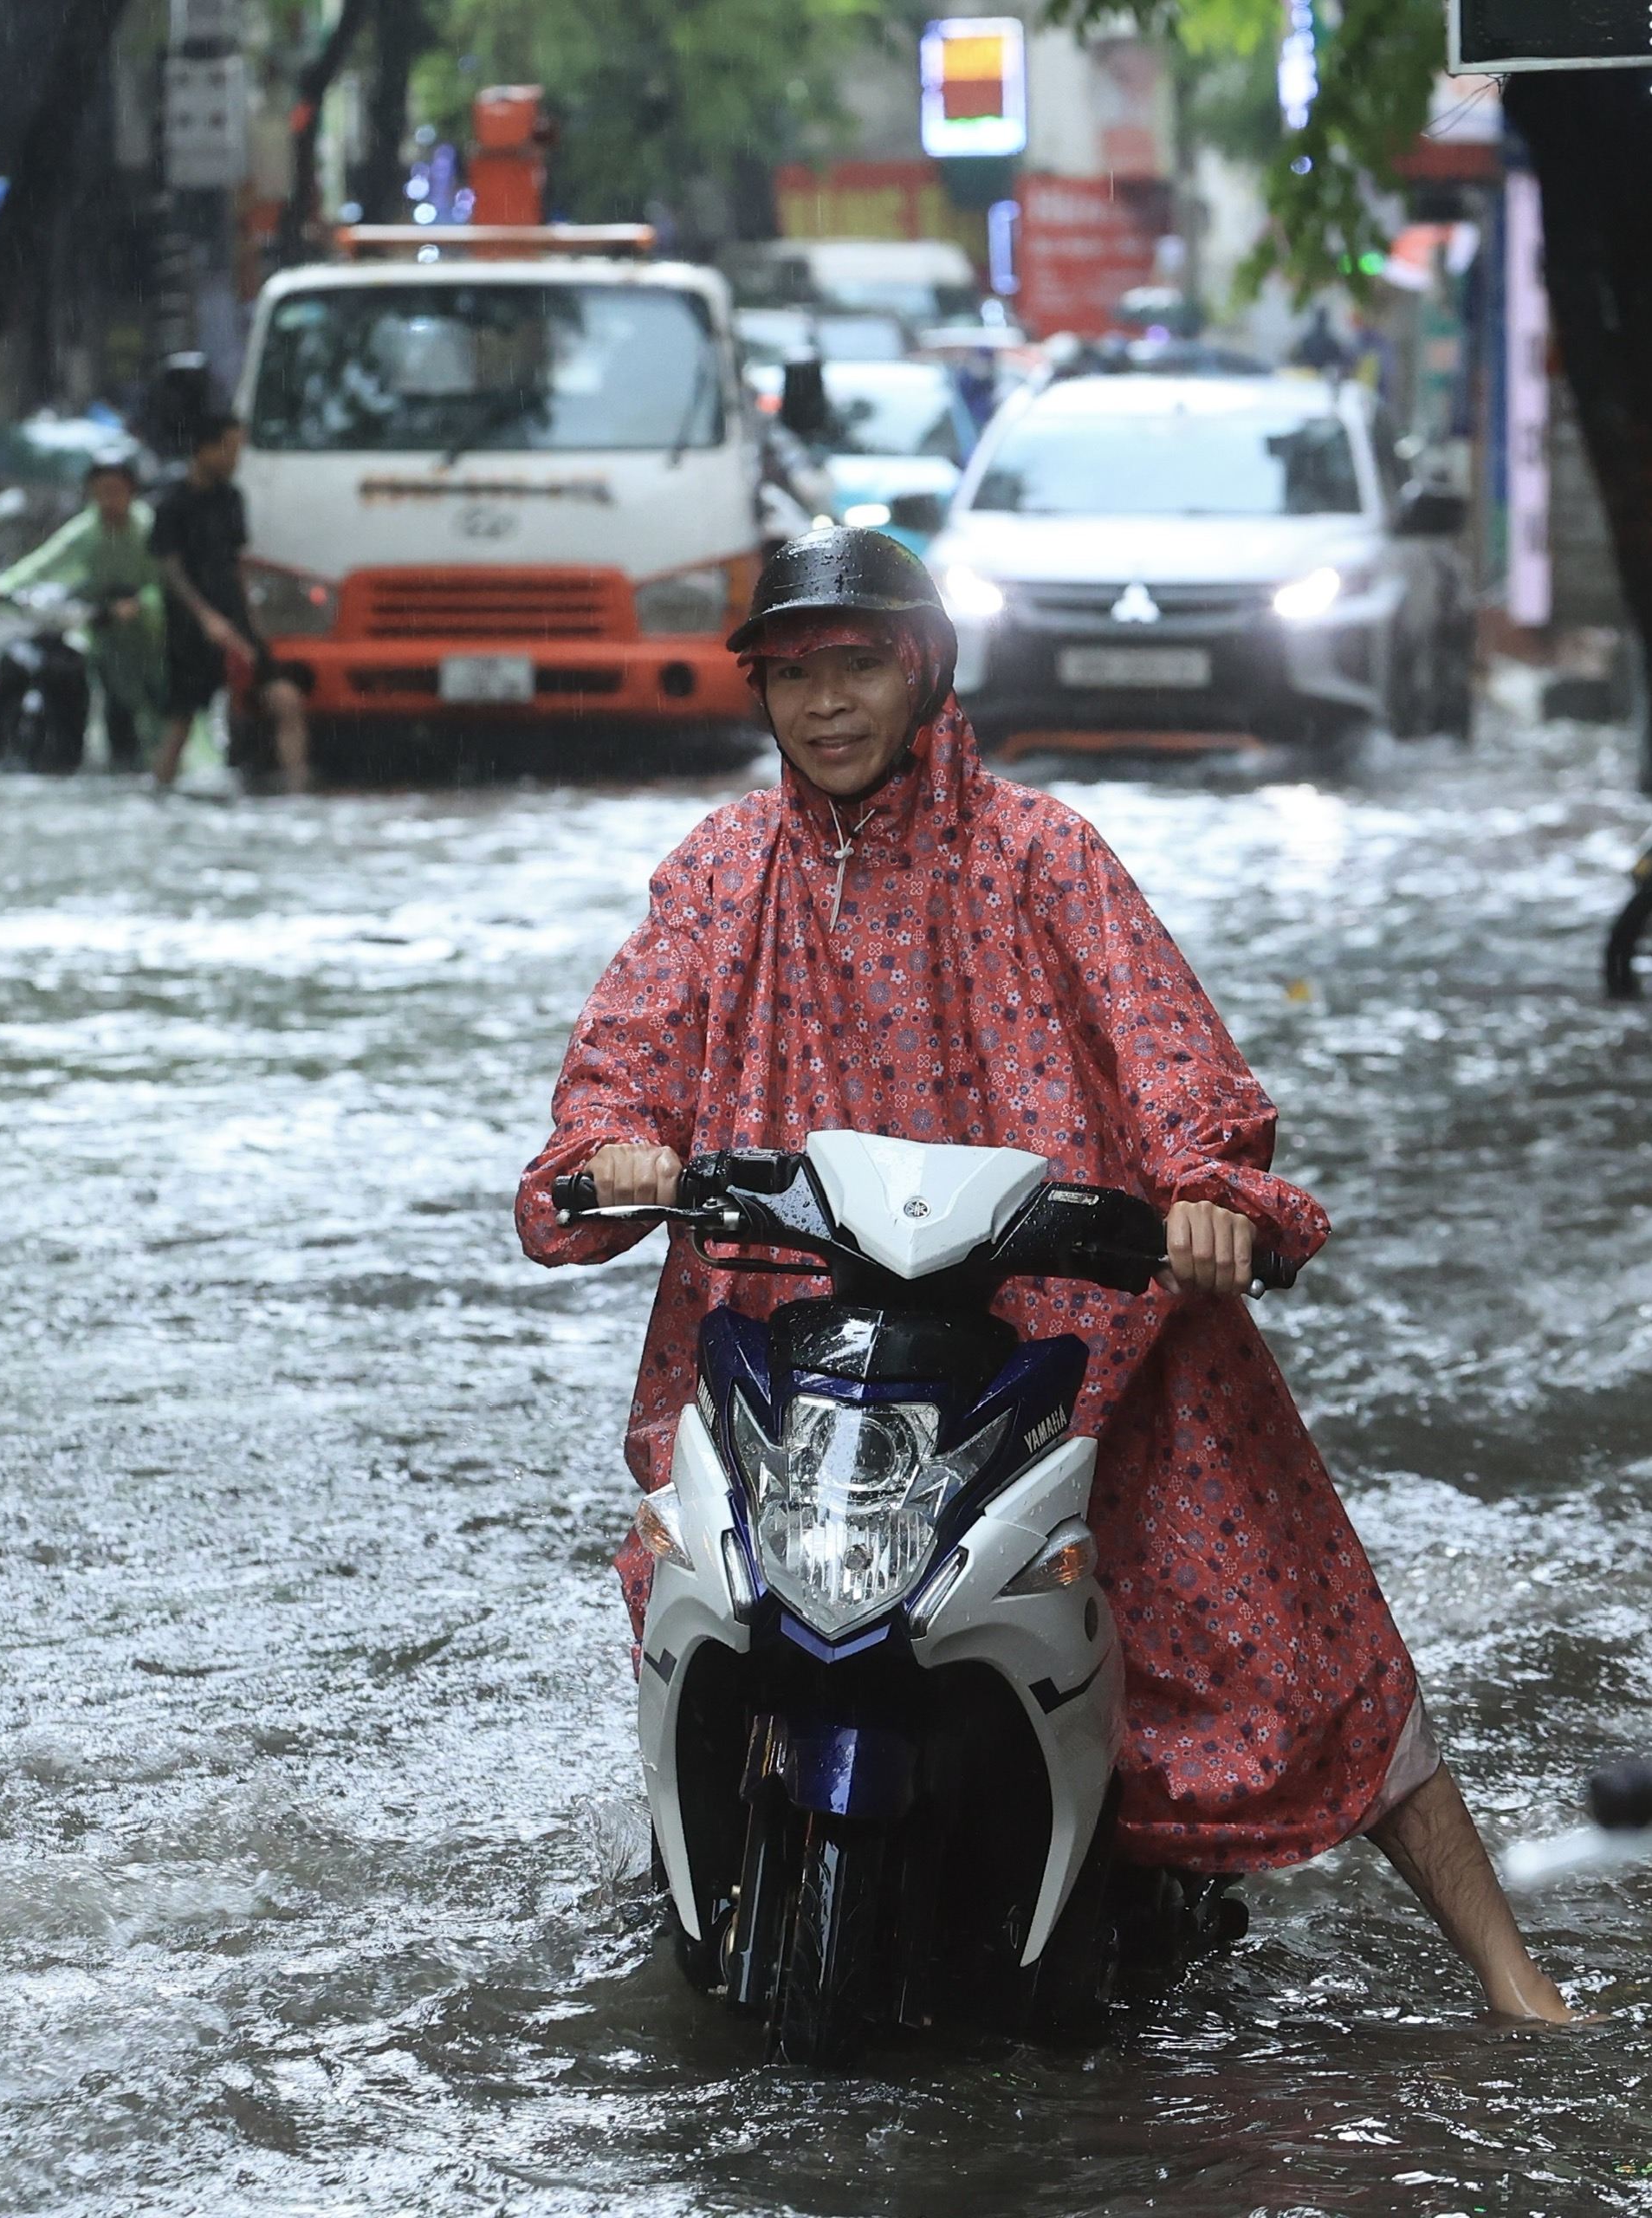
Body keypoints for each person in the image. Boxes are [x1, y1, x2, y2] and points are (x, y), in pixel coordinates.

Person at [515, 527, 1577, 2024]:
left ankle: (1507, 1976)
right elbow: (623, 1053)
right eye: (794, 676)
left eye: (856, 667)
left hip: (1066, 1338)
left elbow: (1167, 1054)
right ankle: (700, 1892)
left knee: (1275, 1608)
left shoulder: (1040, 851)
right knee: (693, 1587)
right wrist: (615, 1143)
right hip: (795, 1344)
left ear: (923, 670)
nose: (825, 706)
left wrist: (1206, 1191)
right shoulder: (716, 874)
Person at [149, 412, 310, 793]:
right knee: (181, 722)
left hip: (236, 620)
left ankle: (297, 791)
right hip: (191, 629)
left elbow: (236, 564)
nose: (236, 460)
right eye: (230, 449)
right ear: (205, 449)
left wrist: (251, 622)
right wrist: (206, 618)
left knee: (286, 700)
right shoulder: (171, 504)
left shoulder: (232, 498)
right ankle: (159, 791)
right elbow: (171, 570)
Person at [0, 454, 165, 769]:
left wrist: (139, 604)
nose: (108, 499)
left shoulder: (146, 527)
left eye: (116, 490)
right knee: (111, 699)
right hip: (104, 624)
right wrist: (4, 583)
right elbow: (47, 559)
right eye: (102, 491)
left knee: (155, 703)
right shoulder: (88, 527)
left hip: (149, 630)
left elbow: (165, 580)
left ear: (130, 491)